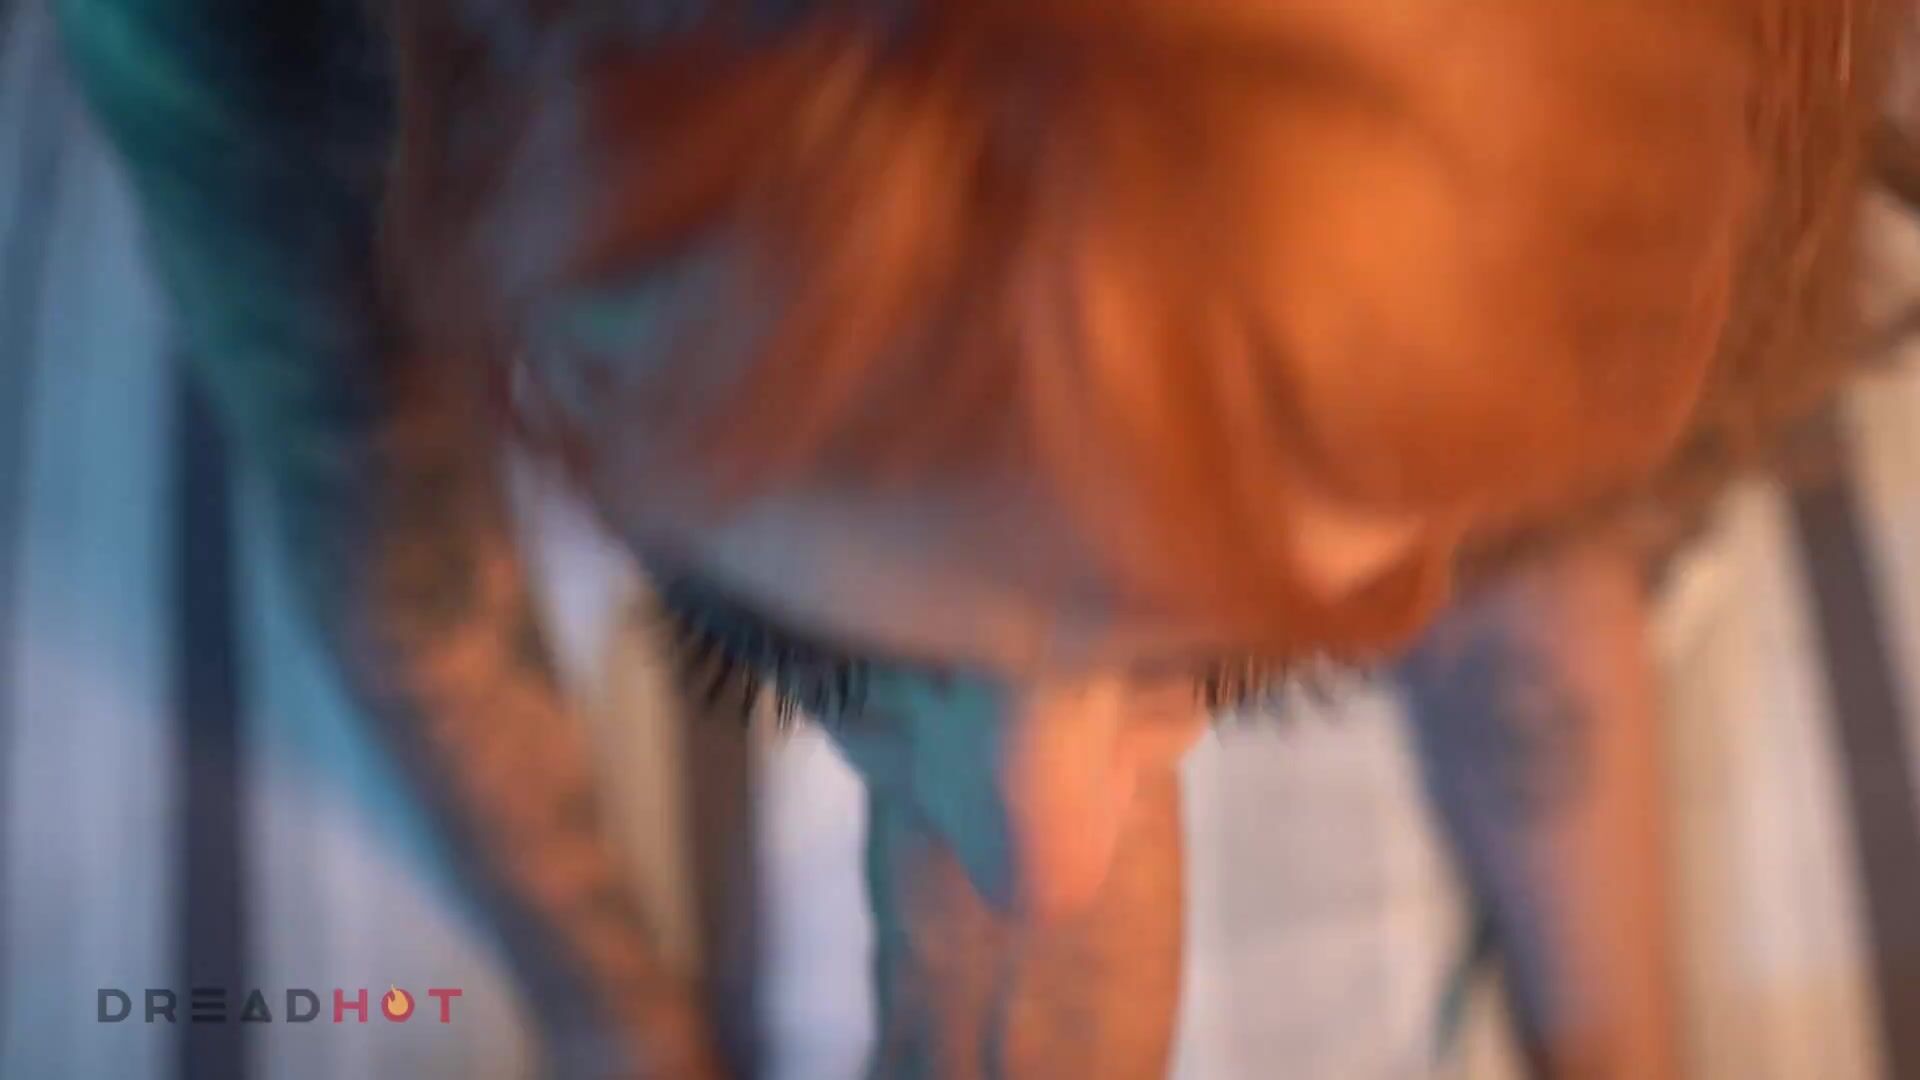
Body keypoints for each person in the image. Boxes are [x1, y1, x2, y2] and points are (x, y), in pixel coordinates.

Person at [50, 1, 1897, 1075]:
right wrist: (617, 1032)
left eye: (1230, 646)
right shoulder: (245, 54)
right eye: (824, 643)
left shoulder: (1702, 88)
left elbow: (1561, 458)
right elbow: (391, 539)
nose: (1045, 864)